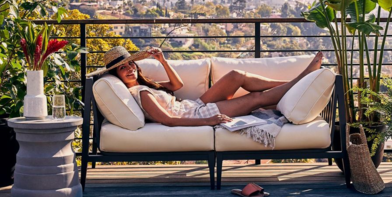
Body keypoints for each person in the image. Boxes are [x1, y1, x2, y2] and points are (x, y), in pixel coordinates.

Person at [93, 46, 323, 127]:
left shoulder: (145, 85)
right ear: (116, 74)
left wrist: (162, 61)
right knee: (255, 99)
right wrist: (209, 121)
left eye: (131, 64)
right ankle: (302, 80)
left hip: (195, 105)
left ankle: (297, 82)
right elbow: (169, 120)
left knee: (235, 76)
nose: (130, 69)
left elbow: (176, 85)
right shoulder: (141, 94)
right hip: (201, 113)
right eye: (124, 69)